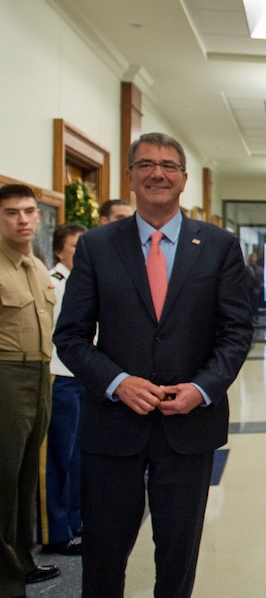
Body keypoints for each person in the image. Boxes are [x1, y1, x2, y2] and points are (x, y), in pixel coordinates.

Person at [55, 133, 254, 597]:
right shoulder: (97, 247)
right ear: (129, 176)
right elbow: (70, 336)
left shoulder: (220, 247)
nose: (157, 173)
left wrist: (202, 388)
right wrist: (117, 382)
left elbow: (236, 332)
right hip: (112, 424)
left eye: (168, 165)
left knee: (178, 554)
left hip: (189, 426)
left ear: (184, 178)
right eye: (145, 164)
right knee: (103, 553)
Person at [0, 183, 61, 594]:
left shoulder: (37, 266)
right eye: (11, 213)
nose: (22, 220)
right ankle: (6, 576)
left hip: (40, 375)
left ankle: (23, 561)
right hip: (6, 374)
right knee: (3, 475)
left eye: (28, 211)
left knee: (25, 476)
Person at [41, 222, 88, 558]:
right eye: (75, 247)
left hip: (82, 378)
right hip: (60, 378)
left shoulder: (82, 281)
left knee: (77, 456)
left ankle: (75, 520)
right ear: (59, 251)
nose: (82, 253)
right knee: (58, 456)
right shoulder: (52, 283)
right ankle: (57, 531)